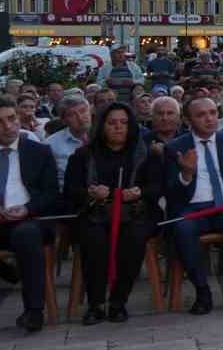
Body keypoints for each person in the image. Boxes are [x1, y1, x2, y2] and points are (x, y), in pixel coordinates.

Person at [65, 102, 162, 326]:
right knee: (94, 239)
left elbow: (157, 187)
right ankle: (96, 303)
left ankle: (118, 302)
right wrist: (91, 193)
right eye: (112, 123)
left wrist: (140, 192)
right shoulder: (84, 155)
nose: (118, 127)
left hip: (135, 212)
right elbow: (70, 191)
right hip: (95, 212)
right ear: (101, 126)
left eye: (124, 123)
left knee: (134, 238)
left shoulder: (145, 153)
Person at [164, 97, 223, 314]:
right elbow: (170, 193)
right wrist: (186, 174)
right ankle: (202, 291)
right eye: (201, 115)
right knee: (183, 229)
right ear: (188, 120)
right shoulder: (175, 148)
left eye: (213, 113)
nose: (209, 118)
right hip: (193, 208)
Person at [0, 95, 61, 332]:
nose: (8, 126)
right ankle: (5, 269)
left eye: (11, 119)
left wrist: (27, 209)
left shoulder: (38, 151)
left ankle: (33, 311)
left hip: (30, 218)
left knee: (25, 235)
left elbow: (51, 194)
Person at [44, 93, 91, 190]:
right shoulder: (51, 144)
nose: (80, 117)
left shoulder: (104, 135)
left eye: (83, 111)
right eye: (72, 115)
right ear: (64, 121)